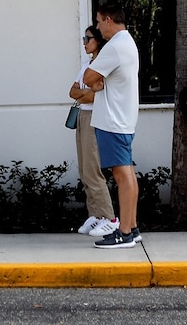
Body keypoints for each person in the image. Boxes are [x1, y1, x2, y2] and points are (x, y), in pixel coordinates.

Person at [84, 3, 141, 249]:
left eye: (98, 22)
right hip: (122, 119)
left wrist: (97, 81)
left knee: (122, 175)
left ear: (108, 20)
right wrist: (99, 81)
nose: (97, 27)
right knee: (126, 173)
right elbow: (95, 81)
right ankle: (132, 226)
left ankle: (125, 232)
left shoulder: (115, 46)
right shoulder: (127, 43)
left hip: (113, 121)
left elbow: (88, 78)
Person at [70, 24, 117, 238]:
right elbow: (72, 91)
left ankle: (109, 217)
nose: (84, 42)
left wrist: (83, 93)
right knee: (84, 169)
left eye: (88, 38)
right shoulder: (87, 65)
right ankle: (96, 214)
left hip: (95, 117)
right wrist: (85, 92)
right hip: (82, 116)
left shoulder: (102, 65)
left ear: (98, 40)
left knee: (93, 168)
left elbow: (95, 96)